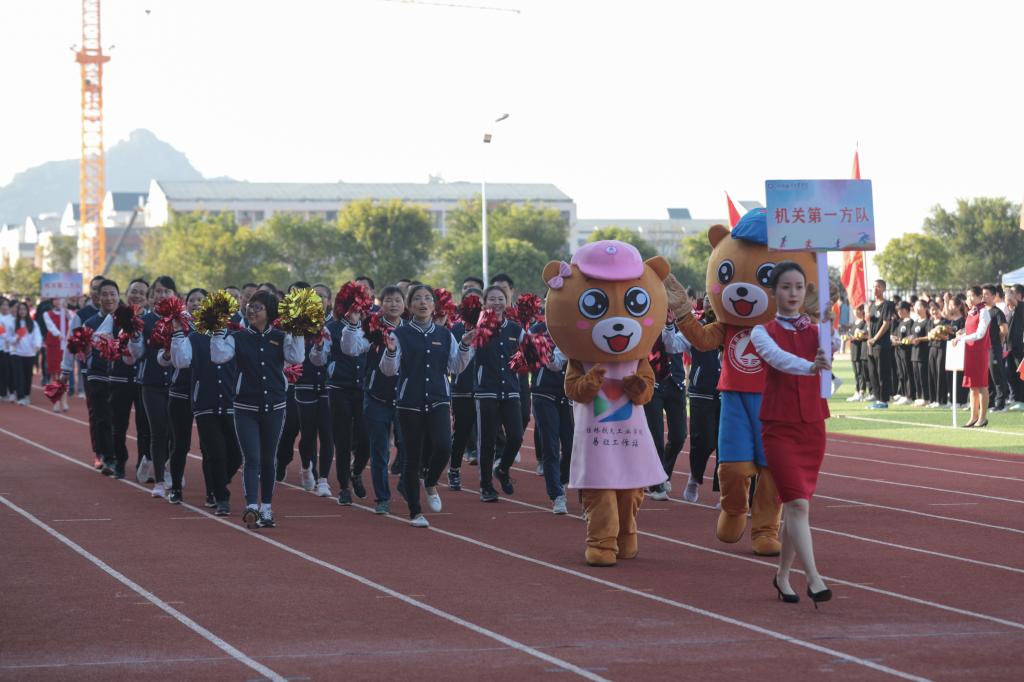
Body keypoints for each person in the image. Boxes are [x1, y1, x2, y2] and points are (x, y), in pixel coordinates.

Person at [749, 261, 838, 608]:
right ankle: (814, 578)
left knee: (796, 506)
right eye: (786, 287)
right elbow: (778, 359)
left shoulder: (816, 330)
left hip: (812, 425)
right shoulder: (761, 332)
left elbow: (833, 347)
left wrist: (829, 323)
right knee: (797, 504)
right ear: (773, 292)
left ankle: (783, 576)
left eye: (799, 287)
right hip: (779, 426)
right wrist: (811, 367)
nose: (793, 293)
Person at [380, 284, 475, 527]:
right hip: (409, 403)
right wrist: (390, 352)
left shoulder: (444, 334)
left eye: (427, 299)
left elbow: (455, 366)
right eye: (417, 299)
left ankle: (431, 481)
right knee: (412, 457)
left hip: (438, 399)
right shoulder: (399, 335)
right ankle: (415, 511)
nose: (423, 303)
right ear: (409, 306)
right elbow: (388, 370)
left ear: (434, 305)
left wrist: (465, 345)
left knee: (444, 446)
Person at [211, 289, 307, 529]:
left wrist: (297, 329)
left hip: (275, 405)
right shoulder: (238, 337)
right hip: (245, 406)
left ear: (270, 312)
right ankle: (252, 505)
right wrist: (217, 329)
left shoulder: (281, 336)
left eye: (258, 307)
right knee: (251, 457)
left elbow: (297, 357)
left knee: (268, 458)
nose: (252, 311)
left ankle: (267, 508)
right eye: (250, 306)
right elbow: (218, 356)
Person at [170, 298, 244, 516]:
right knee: (216, 452)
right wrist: (177, 333)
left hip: (232, 403)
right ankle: (221, 497)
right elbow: (180, 361)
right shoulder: (195, 337)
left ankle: (218, 483)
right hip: (205, 403)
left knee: (236, 455)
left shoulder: (235, 337)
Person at [341, 285, 407, 513]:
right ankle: (382, 498)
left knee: (408, 446)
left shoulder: (410, 330)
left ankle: (406, 482)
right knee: (379, 450)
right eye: (388, 300)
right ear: (381, 303)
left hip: (405, 399)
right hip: (377, 396)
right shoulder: (372, 327)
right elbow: (350, 349)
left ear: (404, 304)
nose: (393, 304)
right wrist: (353, 324)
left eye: (397, 300)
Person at [474, 285, 526, 502]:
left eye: (500, 299)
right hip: (486, 392)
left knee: (516, 436)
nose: (496, 303)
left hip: (510, 392)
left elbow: (524, 355)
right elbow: (470, 353)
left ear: (506, 301)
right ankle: (486, 486)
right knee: (487, 441)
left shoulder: (515, 329)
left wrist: (513, 365)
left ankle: (502, 469)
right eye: (492, 299)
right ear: (484, 302)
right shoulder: (478, 327)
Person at [127, 276, 178, 496]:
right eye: (158, 291)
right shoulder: (144, 321)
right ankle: (159, 481)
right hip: (152, 383)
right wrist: (133, 337)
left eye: (167, 291)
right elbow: (137, 354)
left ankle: (170, 468)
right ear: (151, 296)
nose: (162, 295)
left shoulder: (183, 320)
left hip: (178, 384)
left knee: (176, 432)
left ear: (175, 295)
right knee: (158, 430)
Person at [294, 284, 334, 498]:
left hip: (328, 385)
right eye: (314, 296)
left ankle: (324, 479)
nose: (318, 299)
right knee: (308, 434)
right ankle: (306, 467)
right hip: (305, 384)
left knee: (327, 433)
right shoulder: (299, 325)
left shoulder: (335, 325)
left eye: (322, 296)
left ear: (329, 300)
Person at [528, 320, 572, 514]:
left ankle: (560, 480)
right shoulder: (538, 329)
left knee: (571, 448)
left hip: (568, 393)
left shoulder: (578, 326)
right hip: (544, 393)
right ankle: (557, 495)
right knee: (551, 446)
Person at [645, 320, 690, 501]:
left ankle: (663, 474)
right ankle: (656, 484)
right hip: (653, 384)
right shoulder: (647, 321)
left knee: (679, 436)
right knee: (656, 437)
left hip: (676, 384)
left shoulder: (682, 323)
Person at [684, 297, 722, 503]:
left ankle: (725, 492)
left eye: (712, 299)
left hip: (727, 392)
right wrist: (671, 325)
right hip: (701, 392)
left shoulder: (731, 327)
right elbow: (674, 345)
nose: (709, 302)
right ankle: (694, 477)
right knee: (704, 441)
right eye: (706, 299)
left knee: (725, 445)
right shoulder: (696, 327)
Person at [447, 287, 483, 490]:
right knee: (462, 432)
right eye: (470, 301)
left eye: (478, 301)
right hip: (463, 388)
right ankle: (454, 469)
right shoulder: (455, 329)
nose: (474, 306)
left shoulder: (491, 327)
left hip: (487, 389)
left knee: (489, 434)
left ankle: (487, 476)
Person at [952, 286, 991, 428]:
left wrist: (961, 338)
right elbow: (970, 330)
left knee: (981, 385)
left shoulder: (984, 312)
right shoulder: (971, 312)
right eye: (968, 296)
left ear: (980, 297)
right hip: (970, 351)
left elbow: (980, 334)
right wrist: (962, 334)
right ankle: (973, 417)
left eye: (972, 296)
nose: (969, 299)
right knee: (972, 386)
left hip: (980, 352)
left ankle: (982, 417)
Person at [865, 279, 895, 409]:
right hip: (871, 345)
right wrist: (867, 318)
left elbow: (886, 323)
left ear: (883, 289)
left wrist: (875, 339)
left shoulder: (886, 305)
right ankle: (877, 399)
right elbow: (870, 324)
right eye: (873, 287)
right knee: (873, 374)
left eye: (878, 287)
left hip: (881, 344)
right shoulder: (871, 305)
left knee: (882, 372)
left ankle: (884, 399)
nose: (875, 289)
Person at [8, 301, 43, 405]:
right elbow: (8, 338)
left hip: (29, 353)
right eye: (20, 309)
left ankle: (26, 394)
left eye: (24, 309)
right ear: (17, 311)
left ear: (27, 311)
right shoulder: (13, 323)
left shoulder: (33, 323)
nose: (22, 311)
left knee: (28, 376)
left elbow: (37, 336)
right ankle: (20, 397)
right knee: (18, 375)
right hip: (16, 353)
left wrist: (37, 346)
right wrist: (16, 338)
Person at [982, 284, 1009, 413]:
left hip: (994, 348)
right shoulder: (982, 312)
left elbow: (1004, 330)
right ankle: (990, 402)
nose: (984, 296)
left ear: (994, 296)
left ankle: (1001, 404)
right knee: (987, 377)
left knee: (997, 375)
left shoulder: (997, 312)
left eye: (987, 294)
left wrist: (997, 341)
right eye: (983, 294)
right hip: (983, 349)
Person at [43, 298, 74, 412]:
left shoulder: (69, 313)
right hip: (54, 346)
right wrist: (59, 334)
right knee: (55, 374)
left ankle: (64, 400)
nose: (59, 301)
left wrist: (66, 313)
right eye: (56, 299)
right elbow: (50, 327)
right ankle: (56, 401)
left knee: (64, 374)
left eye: (61, 299)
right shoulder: (47, 314)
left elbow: (73, 324)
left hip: (65, 347)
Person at [926, 300, 950, 408]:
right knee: (932, 373)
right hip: (932, 348)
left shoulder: (944, 322)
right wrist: (932, 334)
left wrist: (937, 334)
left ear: (939, 309)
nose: (934, 312)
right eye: (932, 310)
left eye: (935, 309)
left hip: (941, 348)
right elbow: (928, 336)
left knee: (940, 373)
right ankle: (933, 399)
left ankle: (941, 400)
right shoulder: (930, 322)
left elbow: (947, 337)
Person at [909, 299, 931, 407]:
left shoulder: (928, 322)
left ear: (925, 308)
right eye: (915, 306)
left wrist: (920, 339)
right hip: (914, 353)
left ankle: (926, 398)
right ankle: (919, 396)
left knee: (923, 376)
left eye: (919, 306)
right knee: (916, 376)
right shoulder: (915, 322)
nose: (916, 309)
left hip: (923, 353)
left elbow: (929, 336)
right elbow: (912, 335)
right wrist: (908, 338)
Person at [846, 305, 869, 402]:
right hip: (853, 350)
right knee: (856, 372)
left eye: (856, 310)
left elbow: (865, 335)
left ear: (861, 311)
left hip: (860, 350)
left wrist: (856, 337)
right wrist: (848, 337)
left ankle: (861, 391)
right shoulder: (854, 323)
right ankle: (857, 390)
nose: (855, 312)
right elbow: (850, 334)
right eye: (854, 310)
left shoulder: (864, 323)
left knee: (860, 372)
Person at [892, 302, 914, 405]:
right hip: (898, 350)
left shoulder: (910, 322)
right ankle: (903, 393)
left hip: (906, 351)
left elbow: (911, 336)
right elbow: (895, 334)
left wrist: (901, 341)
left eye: (900, 310)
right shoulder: (900, 322)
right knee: (901, 373)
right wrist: (893, 338)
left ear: (906, 310)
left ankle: (910, 395)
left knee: (907, 372)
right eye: (898, 310)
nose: (899, 312)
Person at [1007, 284, 1024, 410]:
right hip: (1011, 347)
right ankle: (1015, 398)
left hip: (1020, 347)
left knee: (1021, 373)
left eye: (1013, 293)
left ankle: (1021, 400)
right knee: (1011, 373)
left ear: (1019, 295)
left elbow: (1010, 299)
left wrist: (1006, 290)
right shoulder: (1013, 309)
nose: (1009, 296)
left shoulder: (1022, 306)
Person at [0, 297, 13, 401]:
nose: (5, 307)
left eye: (7, 305)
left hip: (9, 349)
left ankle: (6, 391)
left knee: (7, 371)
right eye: (3, 305)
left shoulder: (12, 318)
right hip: (2, 347)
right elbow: (2, 332)